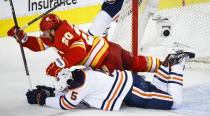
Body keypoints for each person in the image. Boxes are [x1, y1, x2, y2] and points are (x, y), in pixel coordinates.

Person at [26, 51, 195, 111]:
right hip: (131, 84)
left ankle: (177, 65)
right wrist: (52, 90)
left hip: (133, 92)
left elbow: (66, 103)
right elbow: (70, 92)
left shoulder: (80, 85)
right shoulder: (79, 73)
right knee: (159, 89)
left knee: (174, 102)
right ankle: (167, 64)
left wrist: (43, 99)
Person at [7, 13, 161, 78]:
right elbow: (38, 45)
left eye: (46, 32)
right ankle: (164, 66)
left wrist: (61, 63)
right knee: (135, 62)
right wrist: (23, 38)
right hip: (110, 48)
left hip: (106, 60)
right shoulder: (55, 34)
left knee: (124, 85)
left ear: (53, 29)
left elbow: (79, 50)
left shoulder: (63, 34)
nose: (44, 34)